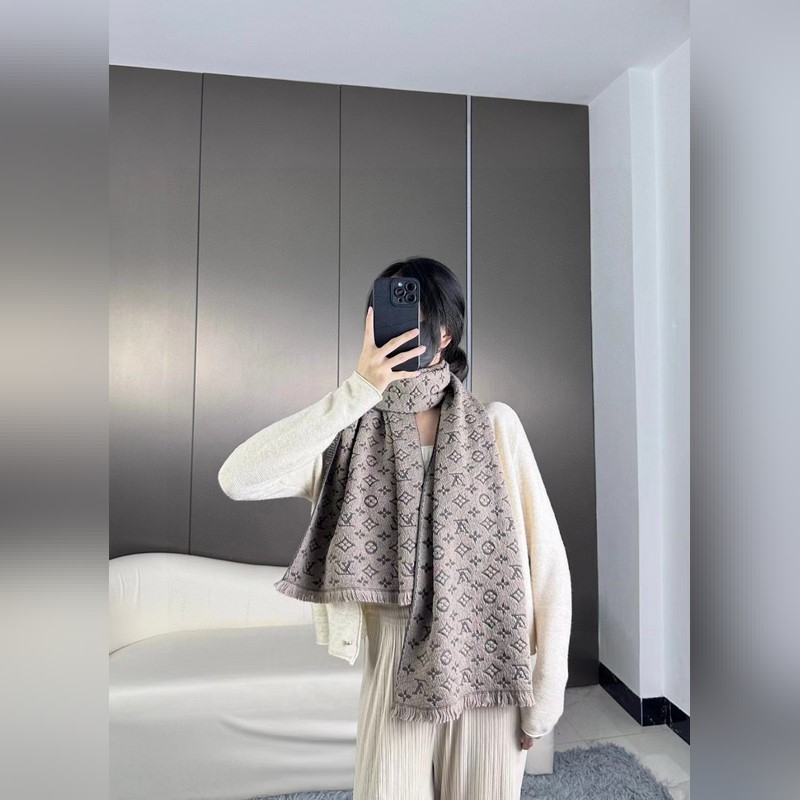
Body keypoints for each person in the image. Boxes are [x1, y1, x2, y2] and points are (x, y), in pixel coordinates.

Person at [218, 257, 572, 800]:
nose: (401, 334)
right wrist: (357, 391)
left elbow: (547, 567)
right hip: (393, 671)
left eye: (418, 321)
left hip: (492, 676)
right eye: (388, 320)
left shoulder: (496, 426)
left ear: (445, 333)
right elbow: (238, 478)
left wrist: (545, 697)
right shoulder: (348, 437)